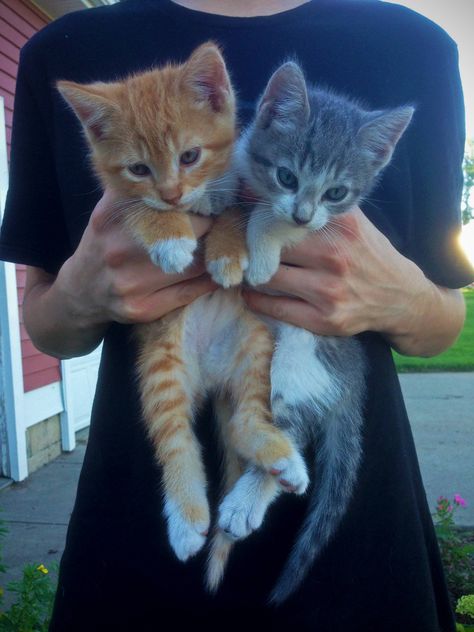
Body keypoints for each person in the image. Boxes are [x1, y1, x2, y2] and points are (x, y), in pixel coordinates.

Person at [1, 0, 473, 629]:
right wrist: (83, 295)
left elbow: (442, 324)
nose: (170, 185)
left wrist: (399, 297)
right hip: (140, 537)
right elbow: (45, 327)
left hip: (359, 556)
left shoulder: (414, 48)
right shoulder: (66, 53)